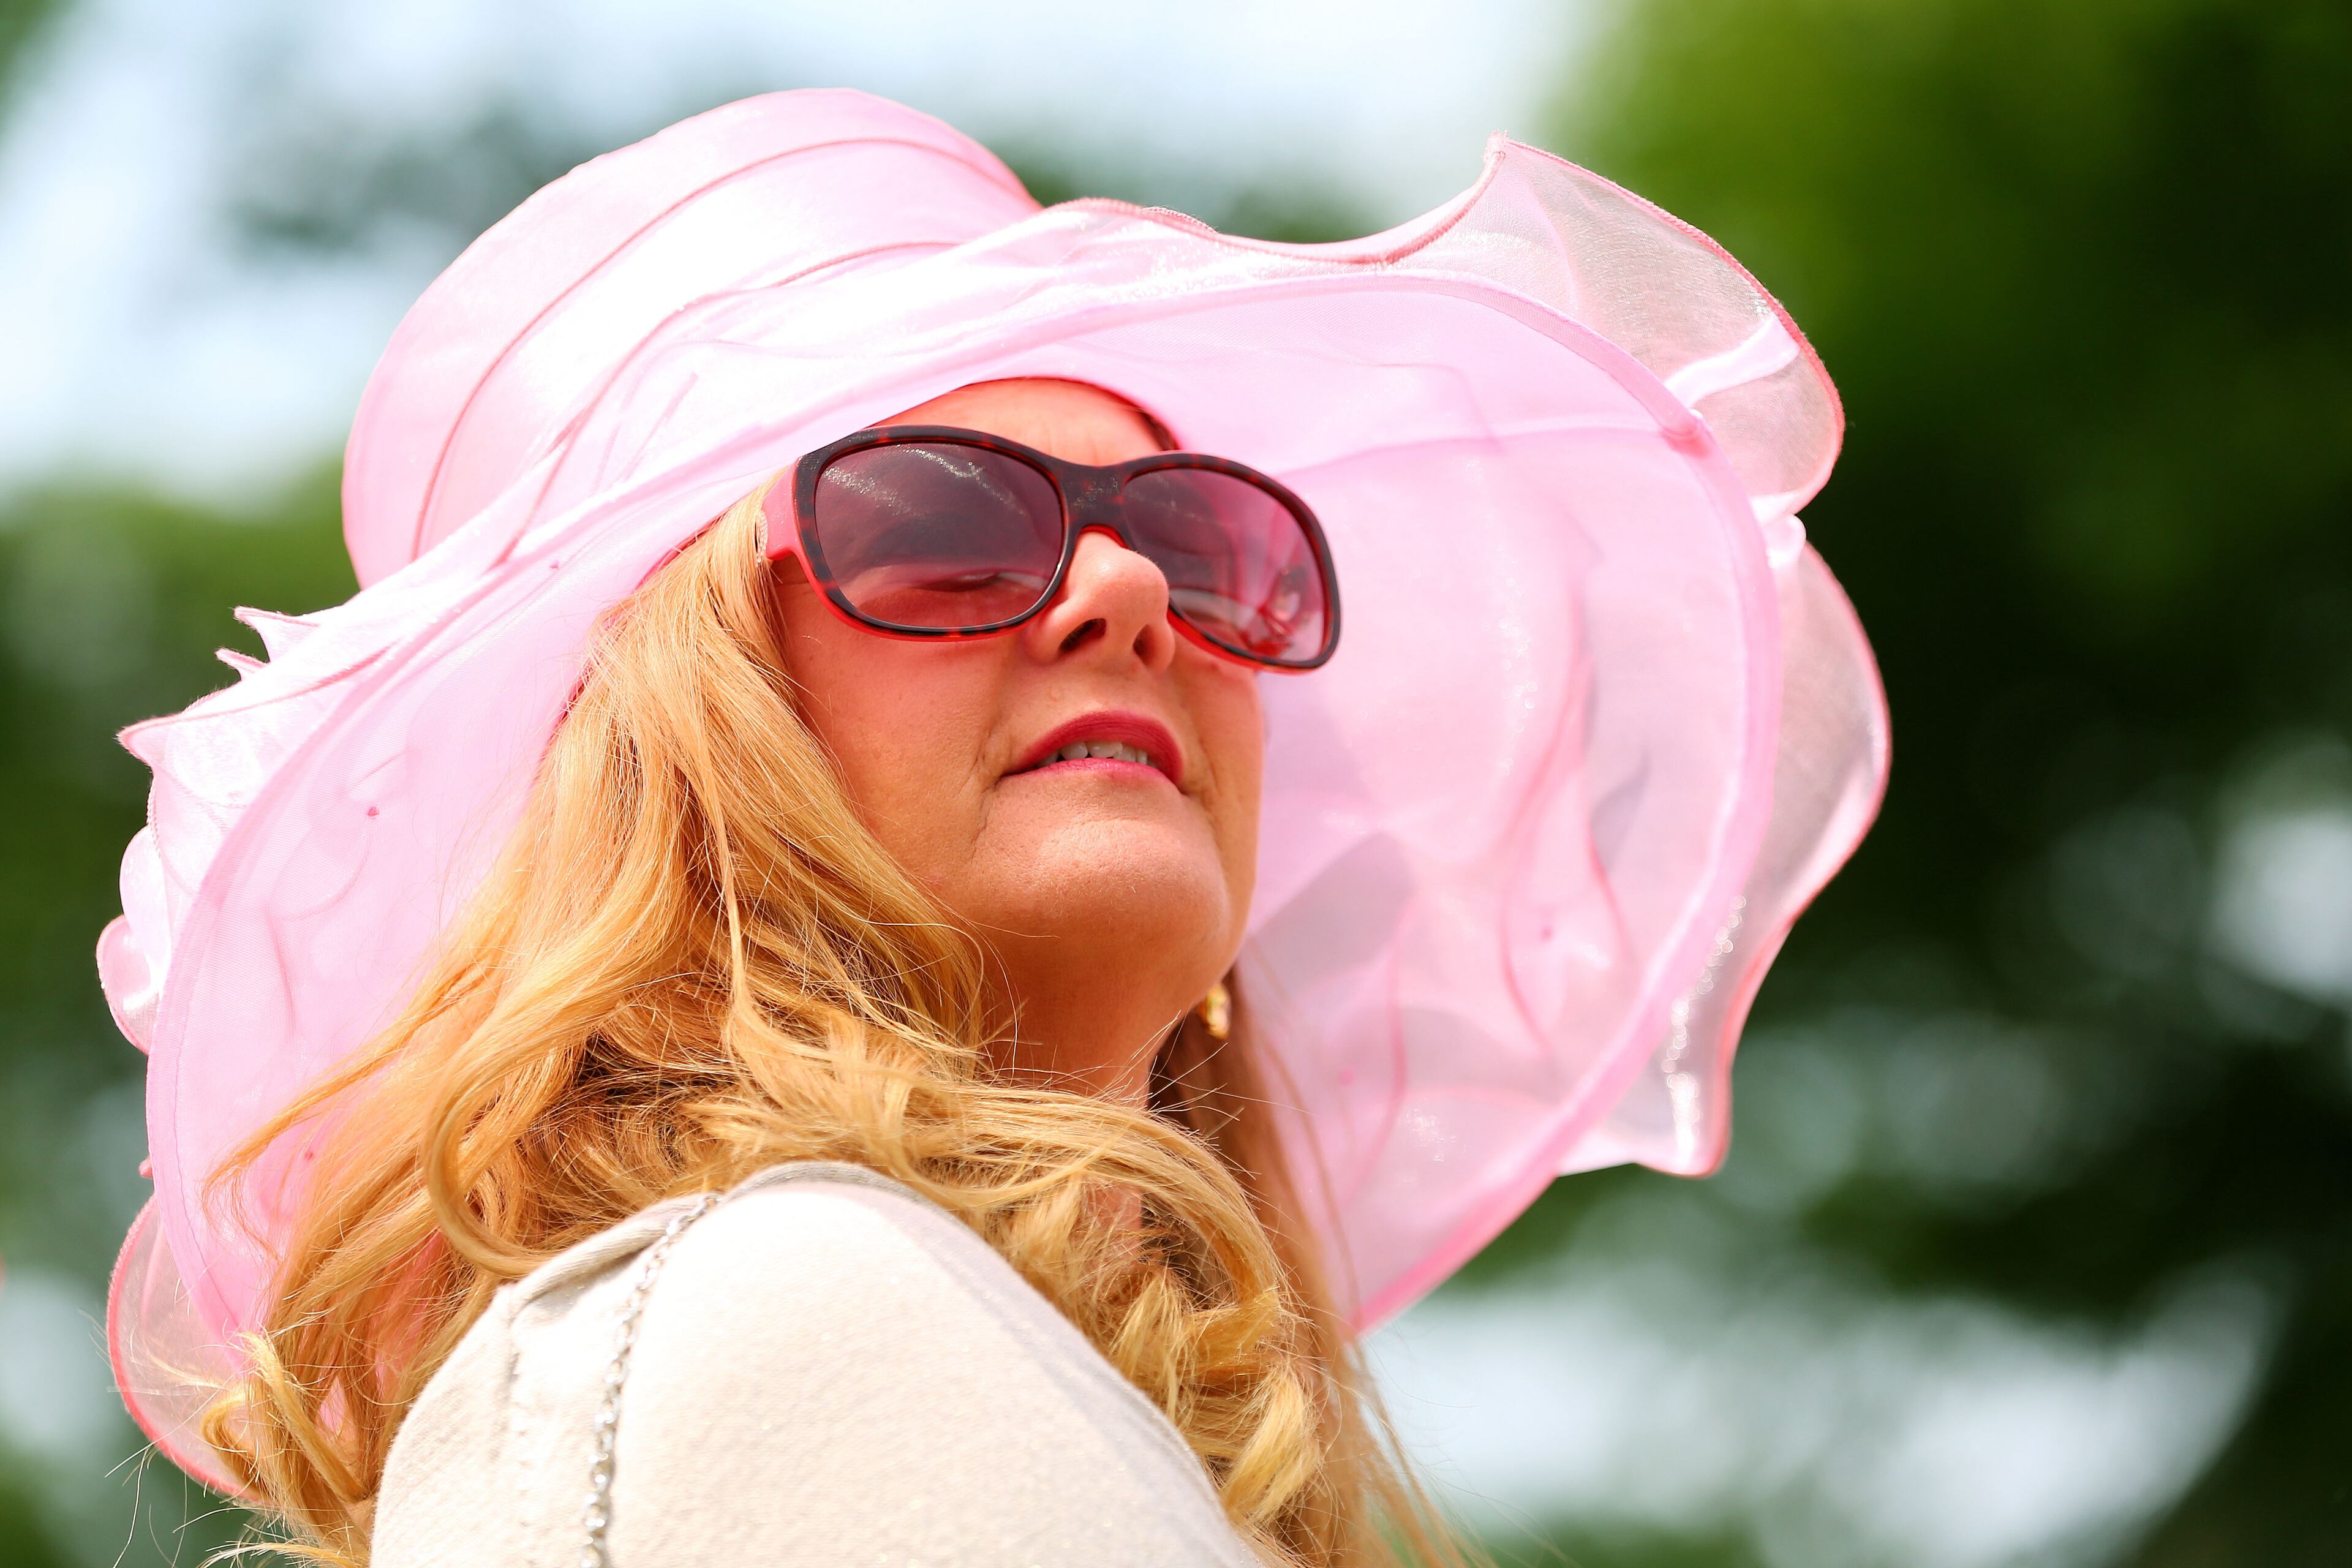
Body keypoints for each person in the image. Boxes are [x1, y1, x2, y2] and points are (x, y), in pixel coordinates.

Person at [97, 90, 1888, 1566]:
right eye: (942, 524)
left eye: (1210, 549)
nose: (1124, 588)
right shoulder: (766, 1320)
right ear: (667, 744)